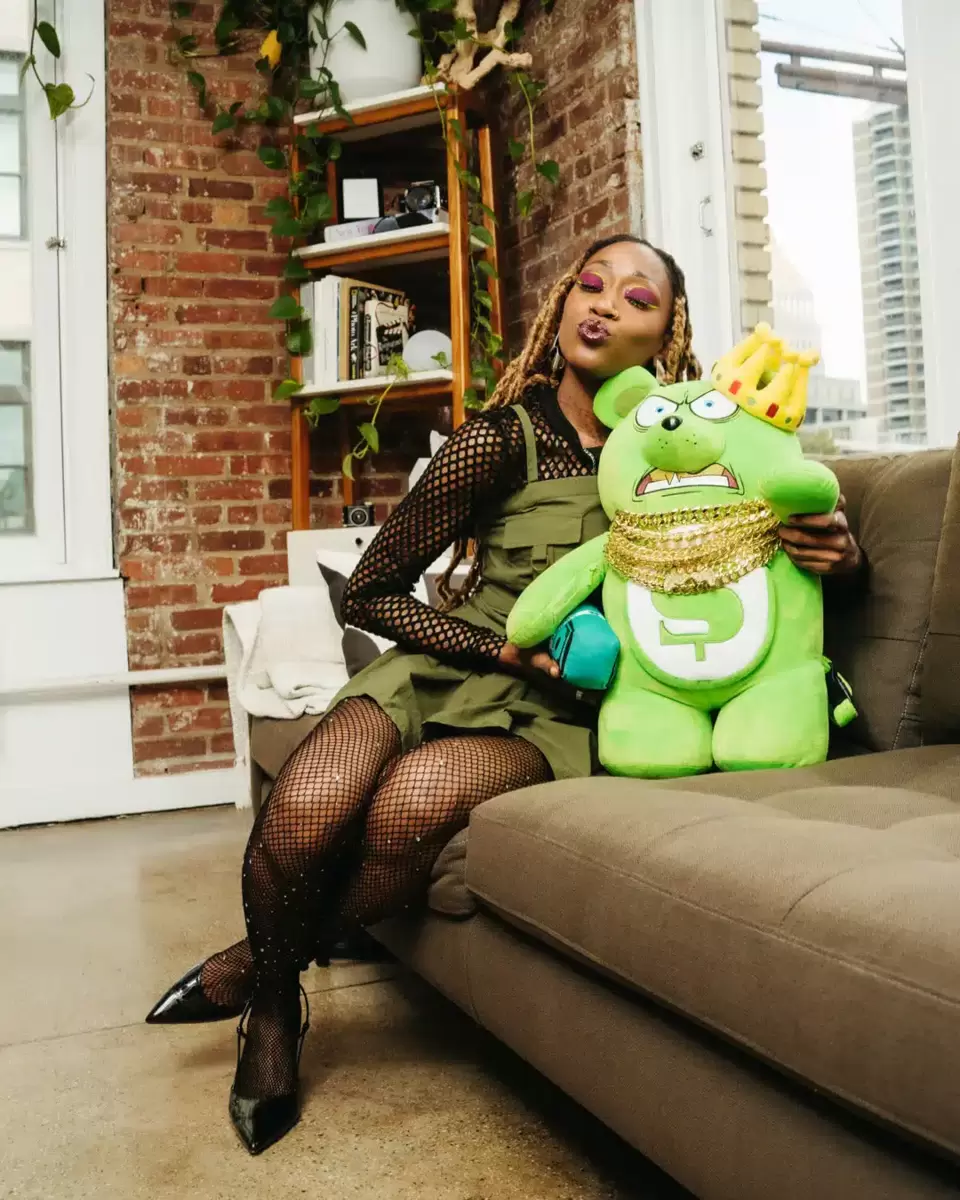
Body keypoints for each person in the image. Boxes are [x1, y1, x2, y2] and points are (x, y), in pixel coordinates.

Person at [146, 236, 863, 1154]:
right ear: (564, 303)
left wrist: (842, 553)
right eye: (590, 285)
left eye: (635, 298)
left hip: (563, 701)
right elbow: (371, 593)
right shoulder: (497, 438)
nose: (601, 304)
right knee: (312, 800)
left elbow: (774, 553)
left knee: (409, 807)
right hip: (456, 658)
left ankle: (255, 972)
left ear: (668, 337)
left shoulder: (689, 442)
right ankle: (279, 999)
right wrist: (498, 649)